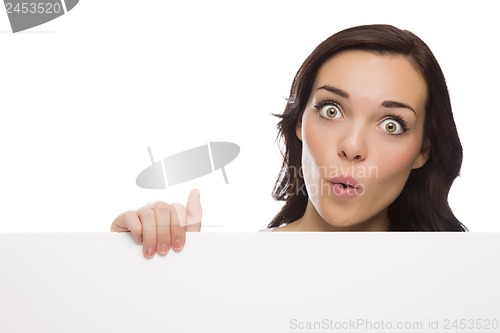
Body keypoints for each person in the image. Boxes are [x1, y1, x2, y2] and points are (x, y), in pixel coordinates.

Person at [111, 24, 468, 258]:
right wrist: (147, 274)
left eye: (391, 124)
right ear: (299, 122)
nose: (353, 147)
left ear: (423, 150)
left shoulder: (464, 281)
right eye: (331, 110)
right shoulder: (233, 268)